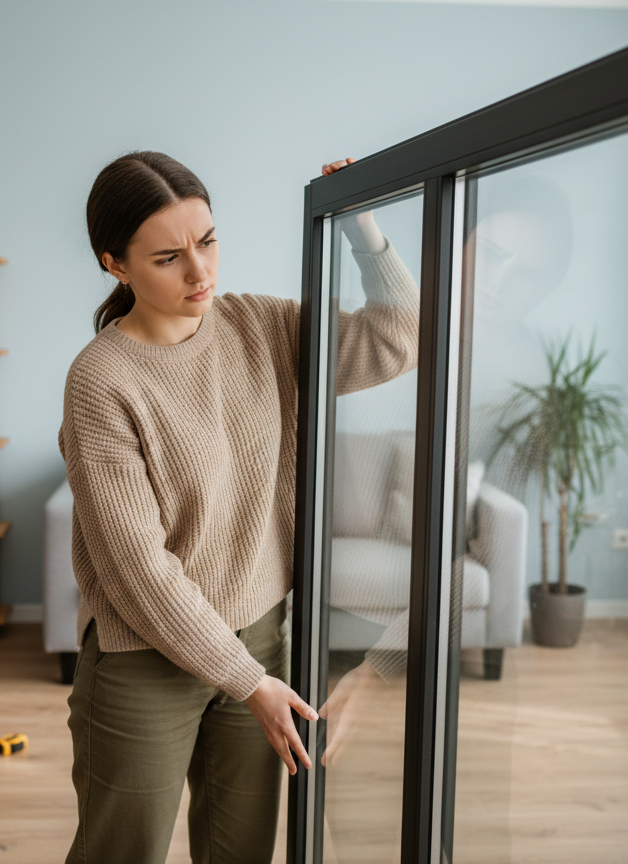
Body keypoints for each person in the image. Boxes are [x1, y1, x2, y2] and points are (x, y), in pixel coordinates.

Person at [58, 151, 419, 864]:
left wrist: (364, 229)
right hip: (144, 662)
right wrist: (246, 680)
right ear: (116, 265)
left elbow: (396, 338)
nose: (201, 272)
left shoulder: (262, 327)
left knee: (243, 851)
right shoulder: (100, 381)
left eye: (209, 241)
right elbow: (139, 571)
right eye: (168, 256)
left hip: (260, 636)